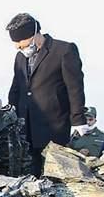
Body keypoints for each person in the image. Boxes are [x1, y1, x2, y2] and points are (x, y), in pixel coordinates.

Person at [5, 12, 87, 174]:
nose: (18, 47)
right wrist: (10, 116)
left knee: (54, 173)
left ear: (35, 34)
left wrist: (78, 120)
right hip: (25, 128)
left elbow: (75, 87)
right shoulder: (20, 58)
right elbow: (16, 88)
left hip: (54, 127)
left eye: (21, 42)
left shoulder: (64, 50)